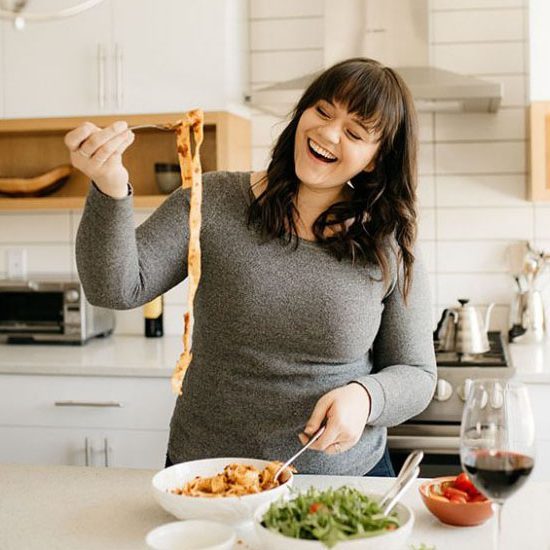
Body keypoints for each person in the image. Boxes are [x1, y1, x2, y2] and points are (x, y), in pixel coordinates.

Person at [64, 57, 436, 477]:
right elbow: (113, 288)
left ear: (374, 159)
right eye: (323, 111)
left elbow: (417, 374)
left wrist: (366, 397)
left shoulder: (389, 242)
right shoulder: (214, 200)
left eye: (354, 133)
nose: (328, 133)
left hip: (340, 483)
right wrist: (109, 185)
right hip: (208, 475)